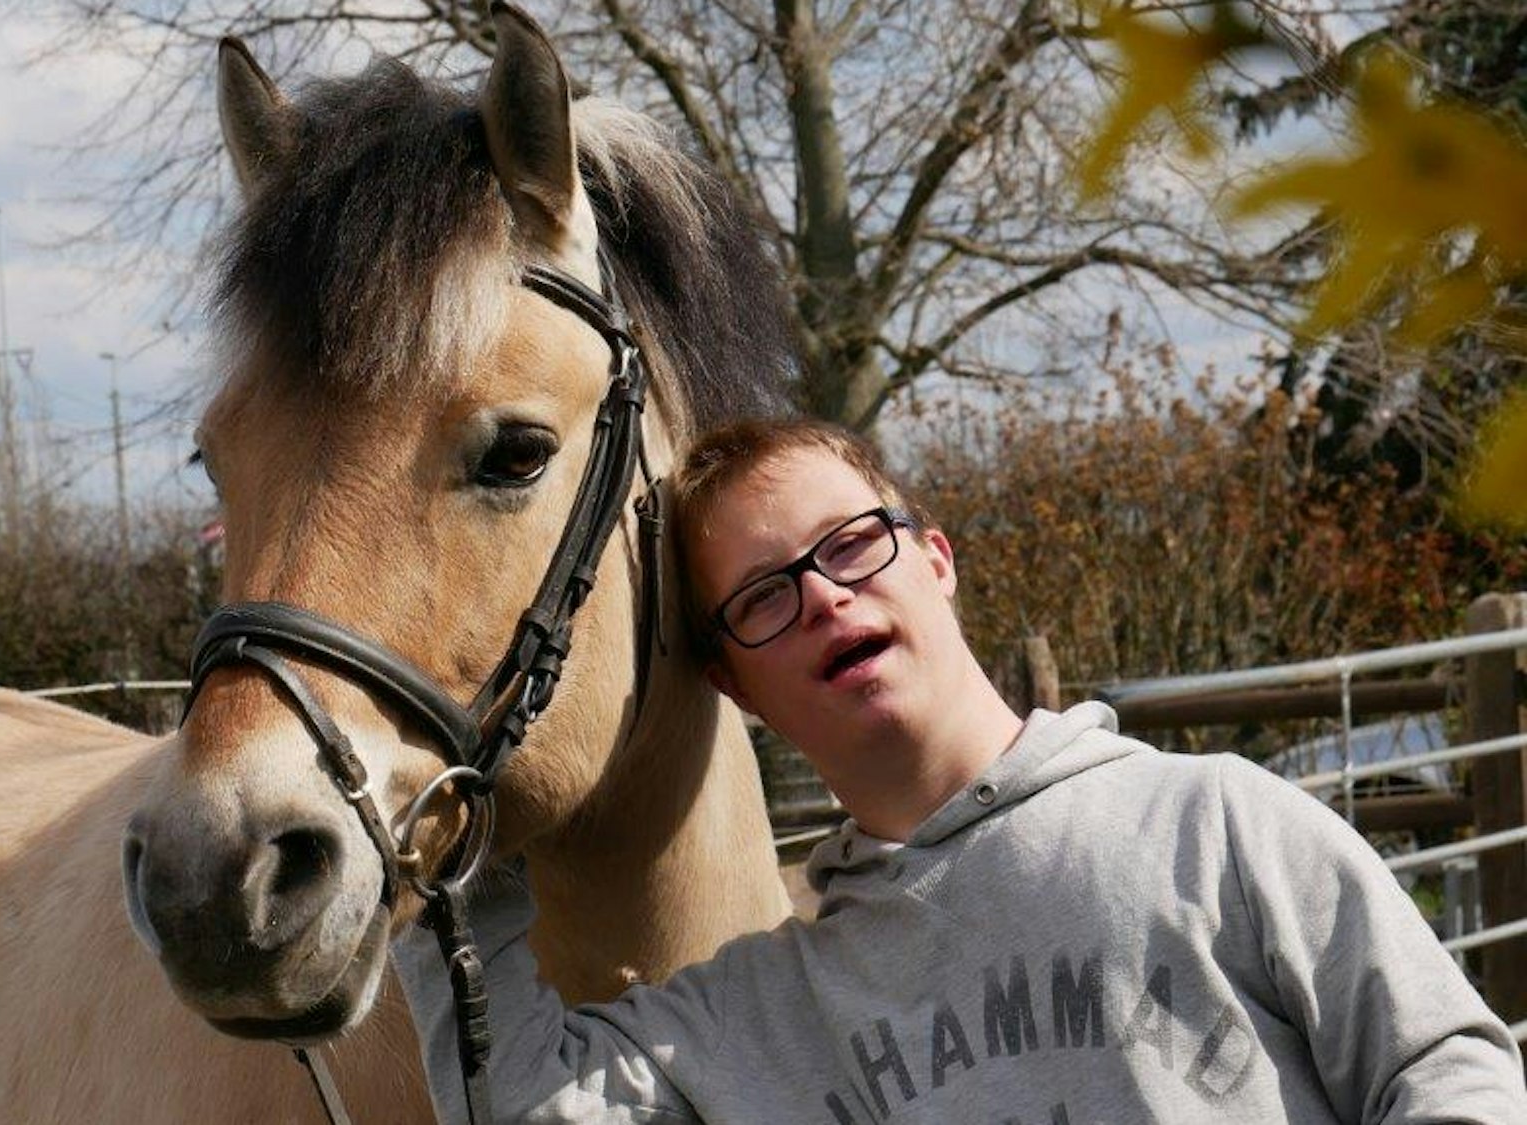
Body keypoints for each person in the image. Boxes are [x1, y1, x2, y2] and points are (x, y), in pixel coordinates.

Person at [391, 416, 1527, 1124]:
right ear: (734, 686)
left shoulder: (1212, 821)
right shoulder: (763, 1013)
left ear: (933, 560)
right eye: (763, 596)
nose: (826, 596)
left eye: (848, 546)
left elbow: (1444, 1067)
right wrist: (456, 816)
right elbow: (520, 1103)